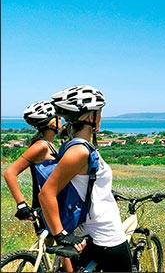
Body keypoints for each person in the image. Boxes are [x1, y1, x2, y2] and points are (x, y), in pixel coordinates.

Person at [39, 85, 132, 272]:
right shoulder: (80, 151)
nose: (101, 116)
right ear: (91, 117)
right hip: (107, 236)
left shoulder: (75, 146)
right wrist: (61, 235)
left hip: (91, 231)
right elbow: (46, 193)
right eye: (100, 112)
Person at [2, 100, 76, 271]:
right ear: (51, 122)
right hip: (49, 207)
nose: (61, 121)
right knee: (66, 250)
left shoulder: (48, 143)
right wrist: (21, 204)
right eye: (59, 118)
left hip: (52, 204)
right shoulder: (41, 146)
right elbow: (9, 172)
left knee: (53, 248)